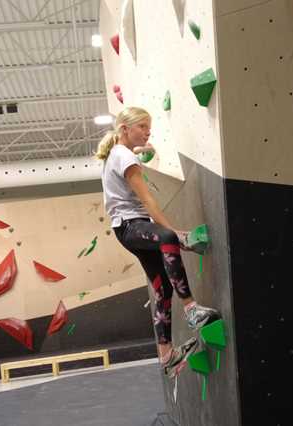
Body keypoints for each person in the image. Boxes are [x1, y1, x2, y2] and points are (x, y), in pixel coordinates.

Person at [97, 106, 220, 377]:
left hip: (126, 230)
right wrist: (174, 232)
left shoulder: (117, 153)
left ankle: (166, 354)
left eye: (149, 127)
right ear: (125, 129)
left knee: (162, 288)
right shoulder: (124, 157)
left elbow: (126, 155)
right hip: (132, 226)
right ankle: (191, 309)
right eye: (142, 126)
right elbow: (147, 200)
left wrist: (142, 150)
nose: (147, 131)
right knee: (166, 237)